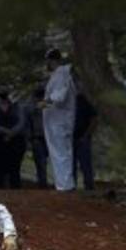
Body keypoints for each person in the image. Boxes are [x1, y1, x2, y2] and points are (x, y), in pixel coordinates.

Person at [41, 49, 77, 192]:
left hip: (59, 121)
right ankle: (64, 183)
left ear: (52, 60)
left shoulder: (62, 73)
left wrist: (46, 101)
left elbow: (60, 96)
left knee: (60, 153)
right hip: (58, 121)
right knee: (62, 153)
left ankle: (64, 185)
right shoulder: (61, 74)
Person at [0, 88, 26, 189]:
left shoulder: (17, 107)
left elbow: (21, 122)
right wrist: (3, 130)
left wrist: (12, 133)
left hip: (16, 141)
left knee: (15, 169)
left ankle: (15, 191)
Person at [72, 85, 98, 191]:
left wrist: (86, 136)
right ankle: (71, 188)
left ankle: (89, 187)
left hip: (82, 138)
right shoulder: (66, 103)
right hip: (69, 139)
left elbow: (94, 119)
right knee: (70, 165)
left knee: (85, 164)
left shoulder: (83, 102)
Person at [24, 88, 50, 188]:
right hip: (37, 138)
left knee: (45, 162)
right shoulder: (31, 108)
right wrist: (29, 139)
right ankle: (43, 183)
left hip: (48, 138)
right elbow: (28, 124)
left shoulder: (49, 107)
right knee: (40, 162)